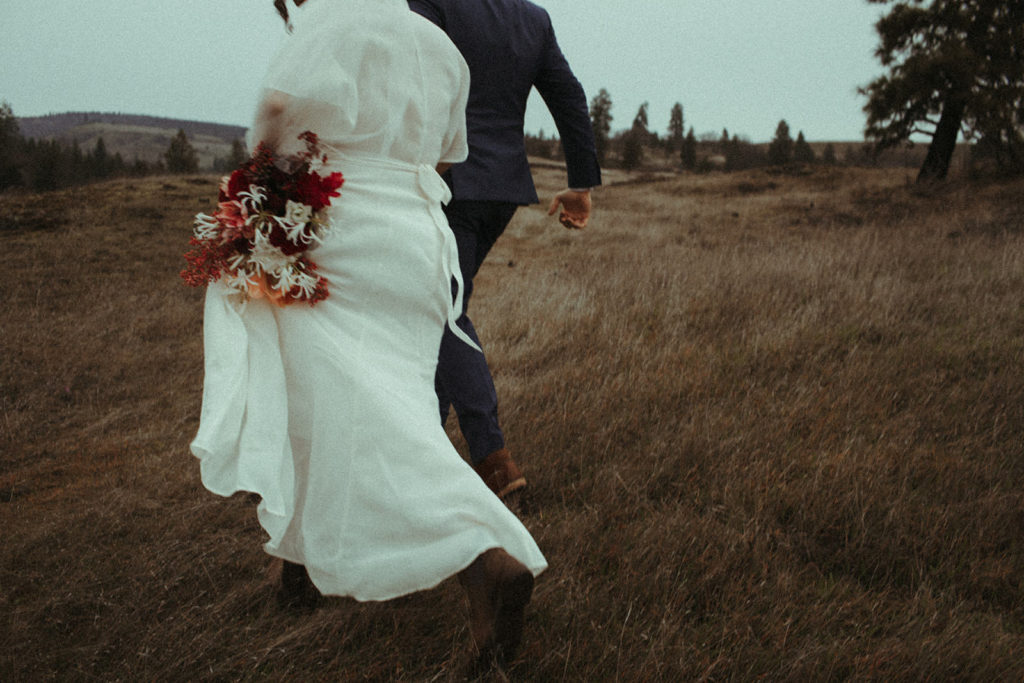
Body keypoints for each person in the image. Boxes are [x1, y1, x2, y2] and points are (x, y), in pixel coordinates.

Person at [190, 0, 547, 664]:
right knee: (395, 402)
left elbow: (273, 120)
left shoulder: (330, 23)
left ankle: (484, 555)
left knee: (327, 401)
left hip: (339, 233)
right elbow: (445, 158)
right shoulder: (436, 45)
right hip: (416, 242)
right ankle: (296, 564)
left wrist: (260, 194)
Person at [408, 0, 602, 499]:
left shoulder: (432, 4)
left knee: (443, 312)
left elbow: (410, 77)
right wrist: (581, 182)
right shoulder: (531, 18)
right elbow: (568, 96)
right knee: (446, 308)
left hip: (445, 180)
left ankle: (493, 458)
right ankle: (423, 447)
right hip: (501, 189)